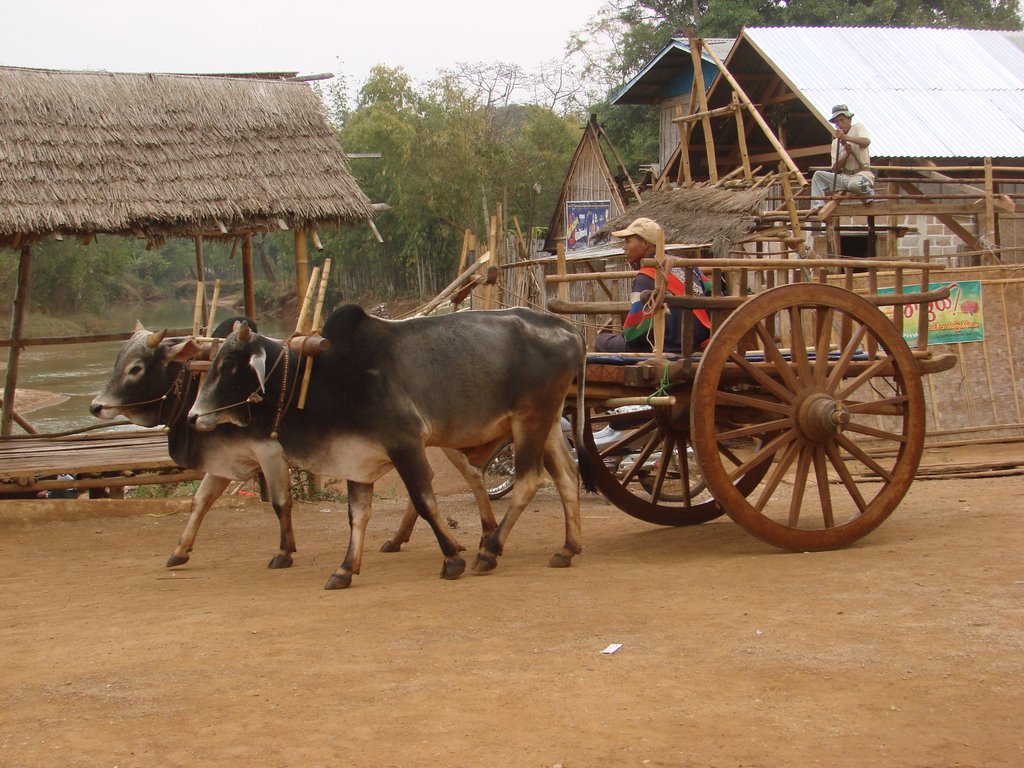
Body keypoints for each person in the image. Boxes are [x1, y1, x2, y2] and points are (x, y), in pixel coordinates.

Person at [594, 217, 711, 354]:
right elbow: (714, 294)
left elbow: (634, 334)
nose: (623, 247)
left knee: (600, 341)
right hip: (698, 343)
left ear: (644, 243)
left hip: (664, 346)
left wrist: (625, 334)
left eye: (628, 241)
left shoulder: (645, 276)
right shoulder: (689, 267)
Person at [810, 104, 874, 210]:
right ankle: (818, 205)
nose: (840, 124)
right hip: (844, 177)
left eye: (842, 120)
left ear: (849, 119)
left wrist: (846, 138)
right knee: (818, 175)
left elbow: (866, 142)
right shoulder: (835, 143)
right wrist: (846, 155)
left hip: (861, 174)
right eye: (837, 122)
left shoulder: (858, 127)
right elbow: (835, 168)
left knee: (853, 185)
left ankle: (867, 189)